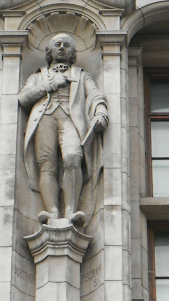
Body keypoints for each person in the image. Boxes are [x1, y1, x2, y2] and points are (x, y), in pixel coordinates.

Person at [19, 33, 108, 224]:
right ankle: (51, 211)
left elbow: (95, 95)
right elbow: (24, 98)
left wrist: (101, 112)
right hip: (45, 118)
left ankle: (70, 210)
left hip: (71, 119)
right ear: (49, 51)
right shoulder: (39, 76)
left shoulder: (82, 75)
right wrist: (49, 85)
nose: (61, 47)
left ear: (72, 52)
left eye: (66, 45)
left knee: (73, 157)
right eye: (57, 45)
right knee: (47, 164)